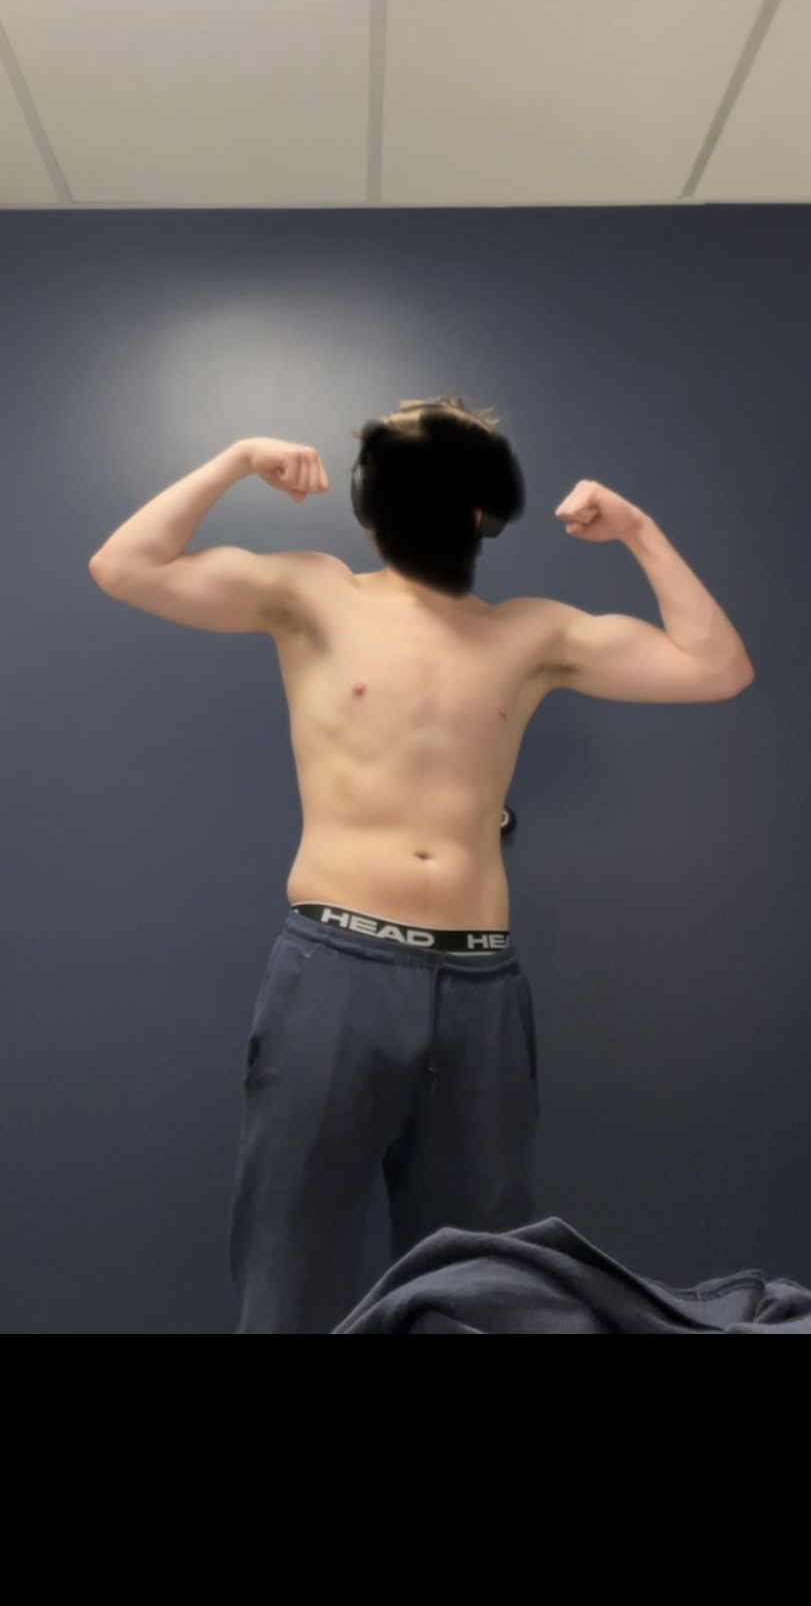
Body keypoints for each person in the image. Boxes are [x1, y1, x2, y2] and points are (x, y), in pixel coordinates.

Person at [89, 398, 755, 1335]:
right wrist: (236, 458)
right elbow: (123, 565)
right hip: (337, 972)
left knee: (482, 1284)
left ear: (479, 508)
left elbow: (716, 667)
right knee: (292, 1265)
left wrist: (638, 529)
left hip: (482, 989)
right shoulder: (313, 592)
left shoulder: (532, 634)